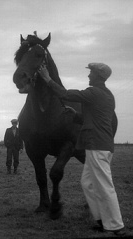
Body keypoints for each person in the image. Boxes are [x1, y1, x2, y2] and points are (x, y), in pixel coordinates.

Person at [38, 62, 125, 236]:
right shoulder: (106, 95)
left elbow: (65, 94)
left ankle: (117, 226)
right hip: (99, 145)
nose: (88, 75)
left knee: (105, 187)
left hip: (97, 146)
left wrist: (47, 78)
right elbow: (93, 118)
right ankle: (102, 221)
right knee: (87, 184)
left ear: (98, 76)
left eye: (91, 72)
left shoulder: (94, 92)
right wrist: (75, 115)